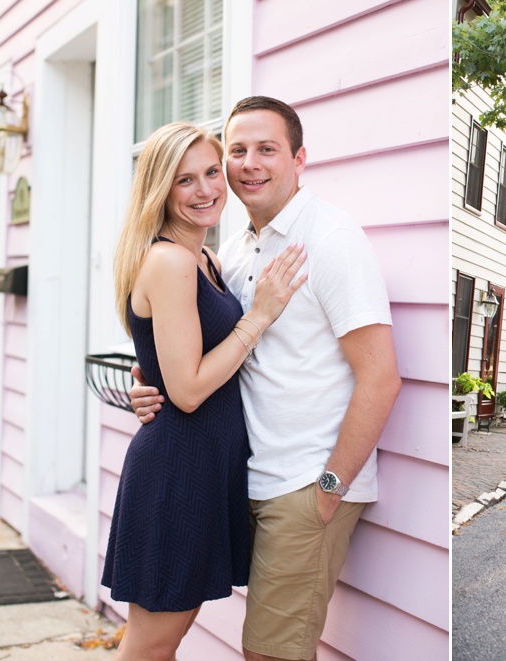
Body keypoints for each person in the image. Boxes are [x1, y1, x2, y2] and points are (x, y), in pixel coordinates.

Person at [130, 97, 402, 661]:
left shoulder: (331, 241)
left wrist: (330, 491)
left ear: (299, 158)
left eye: (267, 149)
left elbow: (381, 378)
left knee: (271, 654)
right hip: (238, 478)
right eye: (237, 151)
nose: (248, 163)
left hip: (305, 482)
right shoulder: (226, 251)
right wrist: (148, 378)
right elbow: (194, 350)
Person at [103, 122, 307, 661]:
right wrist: (258, 316)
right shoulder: (170, 261)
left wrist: (144, 377)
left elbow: (169, 362)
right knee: (150, 647)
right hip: (177, 472)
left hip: (203, 467)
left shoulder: (205, 260)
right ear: (160, 190)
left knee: (163, 641)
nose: (205, 190)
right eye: (183, 180)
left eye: (211, 173)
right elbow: (189, 391)